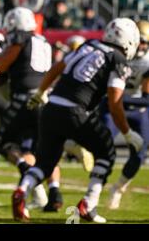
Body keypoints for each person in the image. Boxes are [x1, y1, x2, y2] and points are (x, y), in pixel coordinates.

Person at [14, 18, 142, 223]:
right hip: (74, 111)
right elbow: (115, 102)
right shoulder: (117, 58)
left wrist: (40, 92)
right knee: (106, 152)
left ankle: (22, 190)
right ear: (129, 41)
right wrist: (127, 132)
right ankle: (89, 204)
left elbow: (57, 67)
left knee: (45, 163)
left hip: (51, 107)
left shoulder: (88, 46)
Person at [0, 7, 60, 211]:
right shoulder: (44, 42)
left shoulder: (21, 39)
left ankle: (25, 169)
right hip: (43, 100)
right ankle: (55, 192)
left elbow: (0, 66)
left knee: (2, 144)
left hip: (24, 100)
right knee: (45, 150)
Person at [105, 20, 149, 209]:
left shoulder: (147, 62)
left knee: (139, 155)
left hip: (136, 108)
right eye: (141, 41)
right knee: (103, 145)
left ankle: (118, 188)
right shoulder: (117, 55)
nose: (143, 46)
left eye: (146, 42)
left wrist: (118, 101)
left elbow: (147, 98)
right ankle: (95, 187)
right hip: (115, 106)